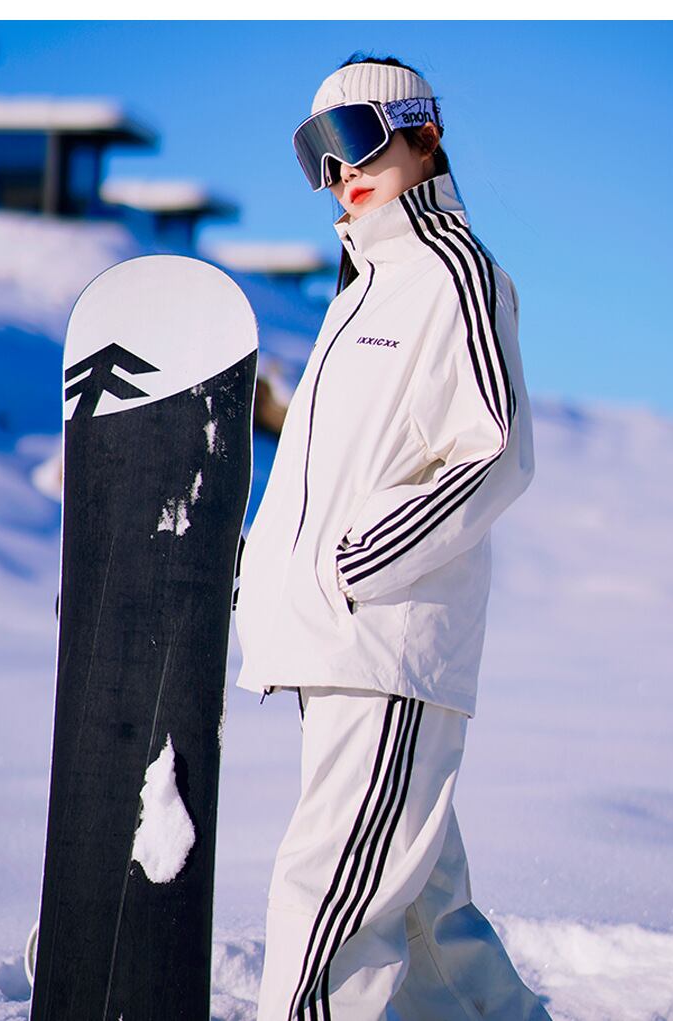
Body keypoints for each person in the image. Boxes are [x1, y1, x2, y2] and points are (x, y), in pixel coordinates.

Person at [234, 53, 552, 1021]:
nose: (340, 172)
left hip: (386, 638)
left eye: (355, 139)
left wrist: (357, 563)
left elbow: (494, 451)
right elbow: (328, 480)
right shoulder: (360, 293)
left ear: (424, 132)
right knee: (424, 917)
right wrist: (267, 577)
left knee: (329, 898)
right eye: (315, 154)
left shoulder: (453, 275)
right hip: (332, 639)